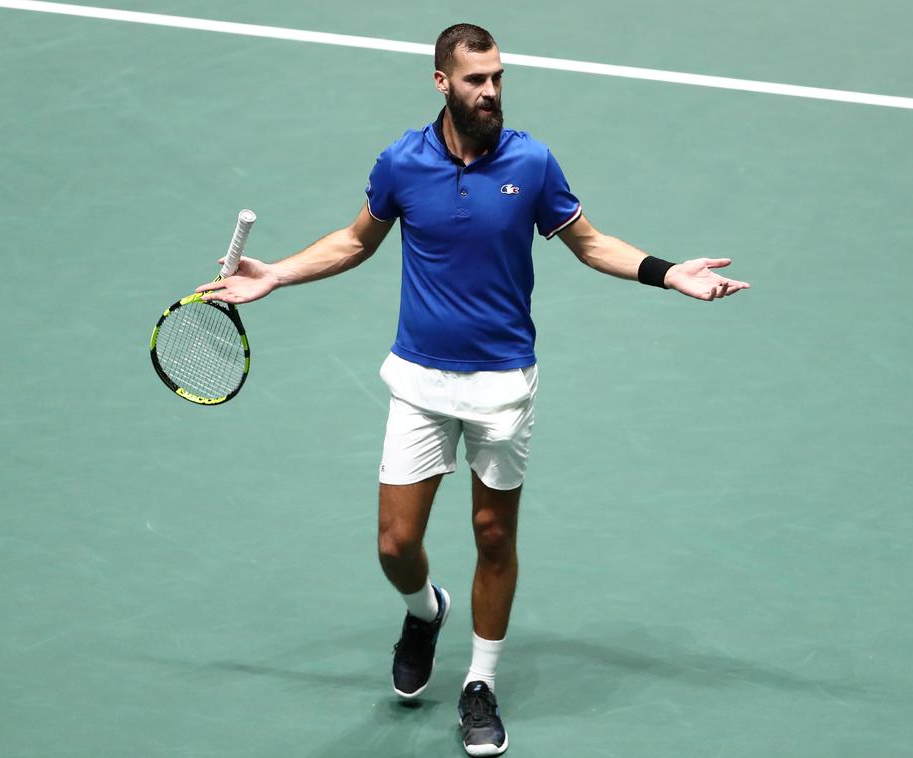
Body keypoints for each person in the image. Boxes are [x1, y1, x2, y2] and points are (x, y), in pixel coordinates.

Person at [197, 22, 749, 757]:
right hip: (420, 379)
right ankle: (425, 613)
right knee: (396, 544)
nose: (490, 91)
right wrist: (278, 274)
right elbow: (357, 239)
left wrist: (667, 269)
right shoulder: (403, 161)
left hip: (502, 383)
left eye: (496, 77)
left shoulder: (532, 161)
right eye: (475, 79)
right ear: (441, 83)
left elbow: (589, 243)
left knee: (493, 535)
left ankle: (479, 684)